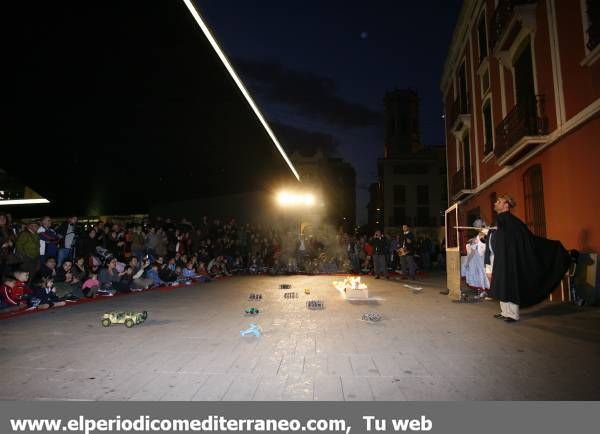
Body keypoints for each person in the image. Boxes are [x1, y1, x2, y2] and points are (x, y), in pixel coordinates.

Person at [486, 194, 570, 323]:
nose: (495, 203)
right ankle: (505, 312)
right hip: (501, 258)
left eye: (499, 201)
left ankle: (513, 314)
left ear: (506, 205)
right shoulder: (500, 220)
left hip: (511, 260)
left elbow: (523, 239)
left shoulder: (512, 221)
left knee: (510, 285)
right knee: (503, 284)